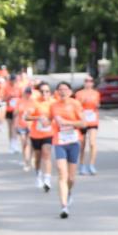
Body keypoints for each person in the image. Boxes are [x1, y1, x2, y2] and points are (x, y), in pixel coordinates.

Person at [49, 81, 85, 218]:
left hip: (74, 142)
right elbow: (48, 120)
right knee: (61, 173)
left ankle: (69, 193)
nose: (63, 92)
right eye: (60, 90)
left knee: (71, 178)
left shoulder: (75, 104)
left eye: (65, 89)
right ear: (57, 92)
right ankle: (64, 206)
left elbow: (83, 123)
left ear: (70, 92)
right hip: (59, 141)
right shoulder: (53, 106)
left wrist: (67, 123)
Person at [28, 82, 54, 191]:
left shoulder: (54, 103)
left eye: (47, 91)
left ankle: (47, 180)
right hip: (36, 134)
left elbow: (57, 115)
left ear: (50, 92)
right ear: (39, 92)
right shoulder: (35, 103)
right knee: (38, 157)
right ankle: (38, 175)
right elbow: (26, 117)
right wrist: (38, 118)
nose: (44, 93)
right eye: (42, 91)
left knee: (46, 154)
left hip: (49, 133)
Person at [75, 76, 102, 175]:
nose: (88, 83)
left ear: (93, 83)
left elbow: (98, 104)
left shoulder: (96, 93)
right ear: (84, 82)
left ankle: (91, 165)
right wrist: (82, 102)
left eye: (90, 81)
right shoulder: (79, 93)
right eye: (86, 81)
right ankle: (82, 165)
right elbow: (76, 106)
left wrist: (97, 105)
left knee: (92, 142)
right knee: (82, 145)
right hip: (82, 121)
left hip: (93, 120)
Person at [15, 86, 36, 171]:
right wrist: (15, 125)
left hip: (31, 125)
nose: (28, 94)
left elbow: (36, 113)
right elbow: (15, 113)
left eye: (29, 93)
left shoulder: (33, 102)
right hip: (21, 125)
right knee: (24, 143)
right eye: (26, 93)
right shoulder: (19, 101)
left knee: (31, 143)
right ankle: (25, 160)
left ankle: (31, 159)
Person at [3, 74, 22, 153]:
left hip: (16, 110)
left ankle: (15, 144)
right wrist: (9, 97)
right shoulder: (6, 87)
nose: (13, 81)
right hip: (9, 109)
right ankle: (11, 145)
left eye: (15, 80)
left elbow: (22, 98)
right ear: (10, 80)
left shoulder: (19, 88)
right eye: (12, 80)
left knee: (15, 127)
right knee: (10, 128)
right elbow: (3, 98)